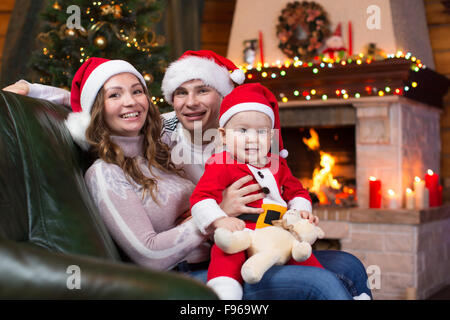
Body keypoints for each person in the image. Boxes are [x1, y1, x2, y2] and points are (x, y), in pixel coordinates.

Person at [3, 50, 371, 300]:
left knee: (350, 264)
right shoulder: (105, 174)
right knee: (321, 284)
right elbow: (147, 254)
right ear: (98, 109)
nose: (130, 101)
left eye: (137, 92)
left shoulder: (164, 145)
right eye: (115, 96)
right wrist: (214, 215)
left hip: (236, 249)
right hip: (181, 274)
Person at [190, 83, 325, 299]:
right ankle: (224, 291)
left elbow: (297, 192)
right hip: (243, 231)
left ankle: (332, 290)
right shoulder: (222, 163)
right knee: (226, 252)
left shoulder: (277, 163)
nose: (252, 138)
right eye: (242, 131)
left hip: (279, 233)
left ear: (270, 137)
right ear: (224, 135)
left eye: (261, 132)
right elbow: (201, 198)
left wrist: (301, 211)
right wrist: (219, 220)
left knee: (305, 256)